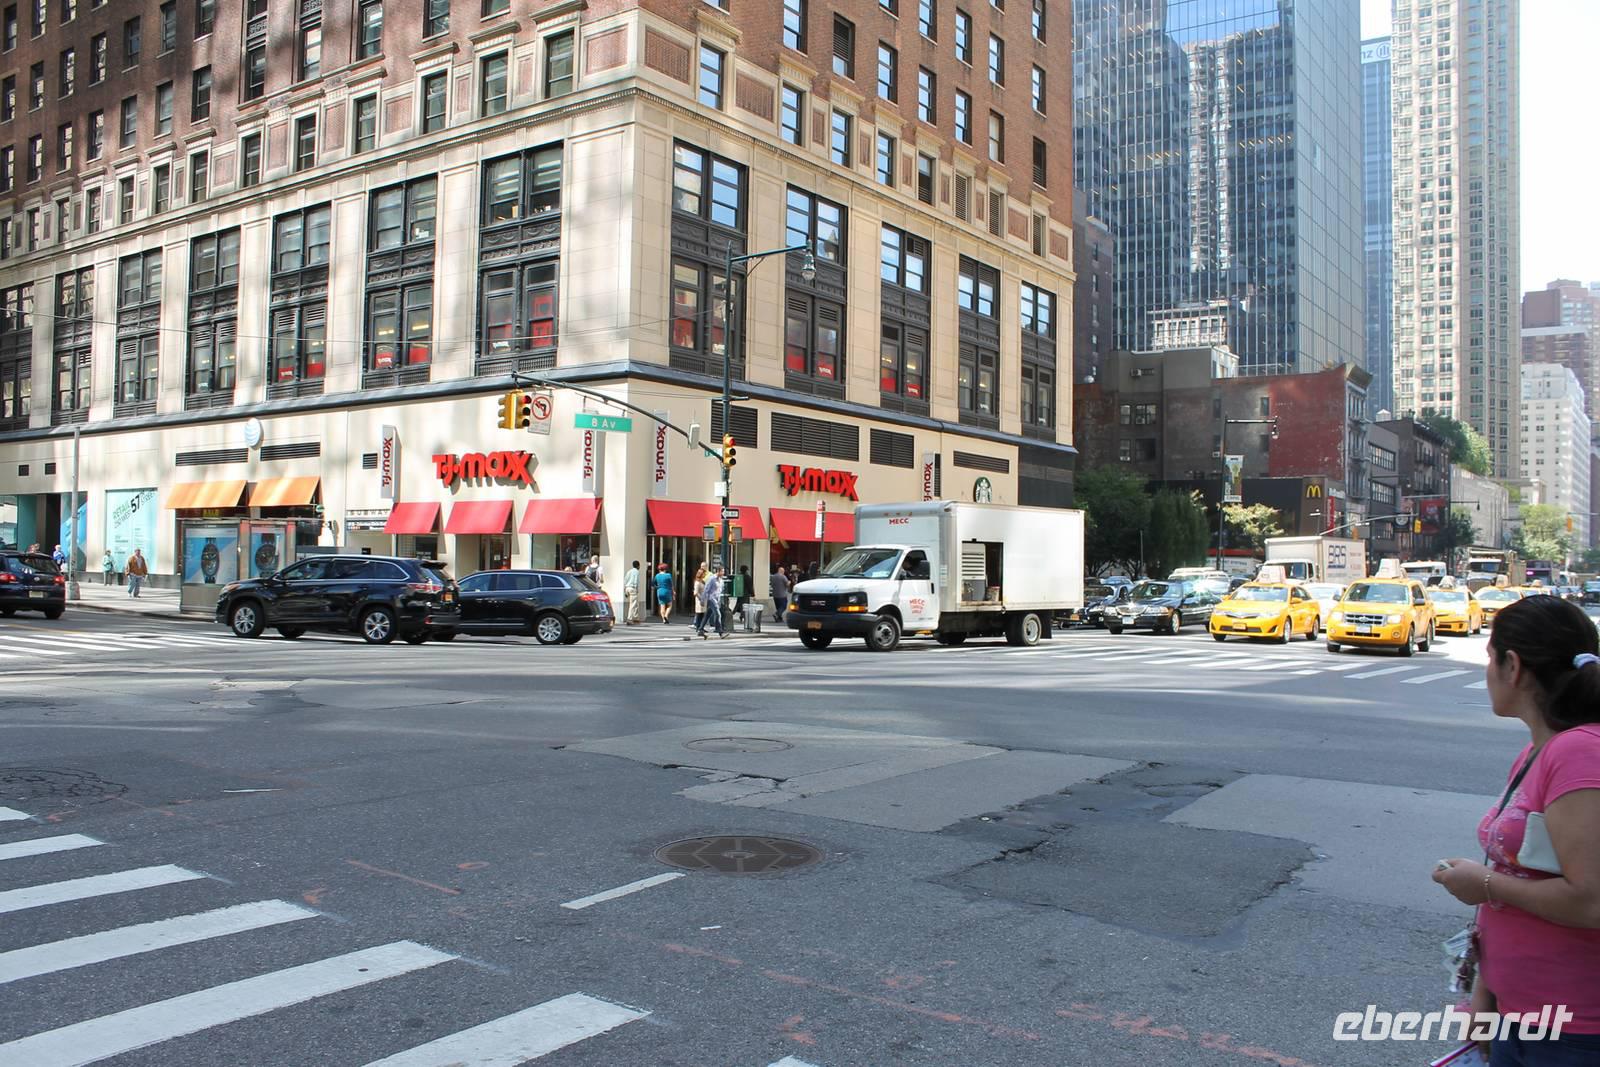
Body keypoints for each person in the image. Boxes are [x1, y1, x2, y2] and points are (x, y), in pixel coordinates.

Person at [1431, 594, 1600, 1064]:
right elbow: (1524, 874)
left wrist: (1482, 883)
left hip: (1573, 1029)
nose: (1488, 671)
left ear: (1514, 665)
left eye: (1490, 658)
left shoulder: (1578, 752)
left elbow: (1592, 901)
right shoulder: (1539, 751)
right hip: (1519, 1014)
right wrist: (1485, 997)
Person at [703, 564, 727, 639]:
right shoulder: (712, 579)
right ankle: (720, 632)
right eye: (722, 571)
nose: (723, 573)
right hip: (711, 598)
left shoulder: (721, 580)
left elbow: (720, 591)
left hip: (717, 600)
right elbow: (706, 589)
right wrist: (703, 599)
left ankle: (700, 629)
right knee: (718, 614)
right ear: (718, 571)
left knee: (708, 615)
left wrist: (719, 600)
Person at [688, 563, 709, 638]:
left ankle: (701, 627)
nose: (704, 575)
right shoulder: (697, 582)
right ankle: (698, 628)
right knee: (700, 614)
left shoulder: (702, 581)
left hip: (704, 599)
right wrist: (701, 599)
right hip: (700, 600)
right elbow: (695, 592)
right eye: (703, 574)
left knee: (702, 614)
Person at [623, 560, 642, 625]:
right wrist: (636, 589)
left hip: (627, 588)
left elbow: (625, 580)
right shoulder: (636, 572)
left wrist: (625, 590)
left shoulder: (629, 571)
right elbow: (636, 581)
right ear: (638, 566)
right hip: (633, 588)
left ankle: (636, 618)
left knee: (636, 603)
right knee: (633, 604)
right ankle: (629, 619)